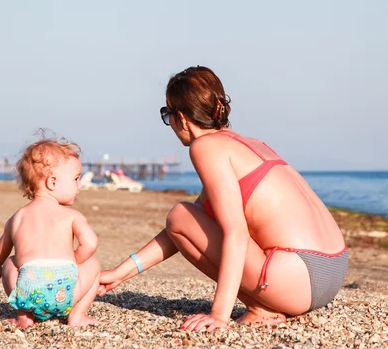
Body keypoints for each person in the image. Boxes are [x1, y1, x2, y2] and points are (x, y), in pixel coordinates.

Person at [98, 66, 348, 331]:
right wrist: (120, 273)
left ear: (181, 118)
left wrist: (219, 314)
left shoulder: (205, 147)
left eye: (166, 113)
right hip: (331, 272)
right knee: (183, 216)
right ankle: (265, 303)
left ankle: (260, 308)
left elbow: (232, 233)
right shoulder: (247, 144)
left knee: (178, 213)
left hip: (297, 280)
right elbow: (182, 230)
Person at [0, 137, 101, 328]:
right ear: (52, 182)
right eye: (76, 179)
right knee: (93, 265)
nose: (79, 185)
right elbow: (90, 244)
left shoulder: (18, 218)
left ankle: (24, 316)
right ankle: (77, 315)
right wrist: (74, 262)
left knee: (9, 262)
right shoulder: (71, 215)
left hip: (29, 291)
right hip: (66, 293)